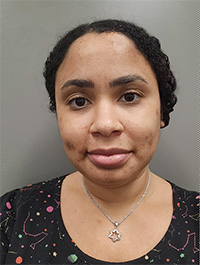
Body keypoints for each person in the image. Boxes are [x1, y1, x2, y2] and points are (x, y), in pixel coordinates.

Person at [0, 19, 199, 265]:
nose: (105, 125)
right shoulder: (13, 217)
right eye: (79, 101)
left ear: (161, 111)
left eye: (129, 96)